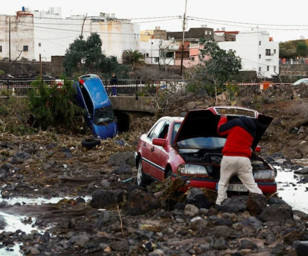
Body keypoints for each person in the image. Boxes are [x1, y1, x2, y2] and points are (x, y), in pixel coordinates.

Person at [216, 115, 263, 206]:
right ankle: (261, 203)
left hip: (229, 157)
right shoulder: (253, 131)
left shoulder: (236, 123)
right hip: (244, 160)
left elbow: (220, 130)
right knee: (252, 185)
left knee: (223, 183)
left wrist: (223, 118)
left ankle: (220, 203)